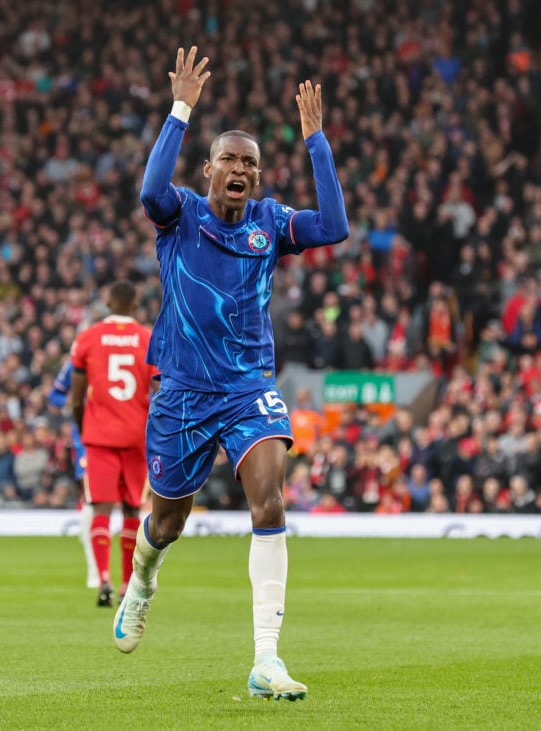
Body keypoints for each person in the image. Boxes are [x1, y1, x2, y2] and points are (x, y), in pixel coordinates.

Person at [112, 47, 348, 702]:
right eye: (230, 160)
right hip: (184, 391)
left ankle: (266, 657)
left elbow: (335, 225)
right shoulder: (180, 214)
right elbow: (148, 190)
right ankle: (143, 581)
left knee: (270, 496)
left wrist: (316, 141)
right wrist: (180, 109)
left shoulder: (270, 223)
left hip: (248, 386)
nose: (240, 169)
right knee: (164, 523)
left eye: (250, 162)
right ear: (210, 169)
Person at [68, 280, 157, 607]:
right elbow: (159, 391)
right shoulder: (148, 339)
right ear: (134, 305)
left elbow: (76, 398)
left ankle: (103, 578)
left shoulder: (88, 338)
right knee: (133, 507)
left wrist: (84, 427)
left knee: (100, 508)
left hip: (99, 436)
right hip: (135, 435)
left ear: (108, 304)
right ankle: (126, 585)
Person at [47, 357, 98, 591]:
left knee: (126, 505)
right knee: (92, 501)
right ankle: (95, 570)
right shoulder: (77, 361)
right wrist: (73, 401)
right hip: (87, 440)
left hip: (122, 436)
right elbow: (55, 396)